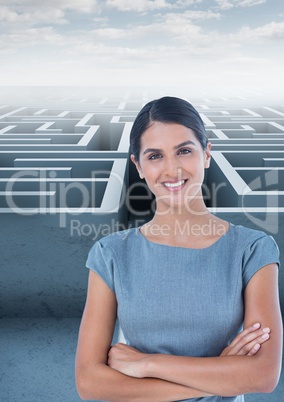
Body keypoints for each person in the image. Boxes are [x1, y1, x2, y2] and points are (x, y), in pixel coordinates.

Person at [75, 96, 282, 401]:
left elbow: (263, 375)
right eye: (155, 156)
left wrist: (148, 364)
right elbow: (89, 382)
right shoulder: (111, 254)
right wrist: (222, 373)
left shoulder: (252, 249)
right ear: (139, 166)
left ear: (206, 154)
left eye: (184, 151)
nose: (172, 170)